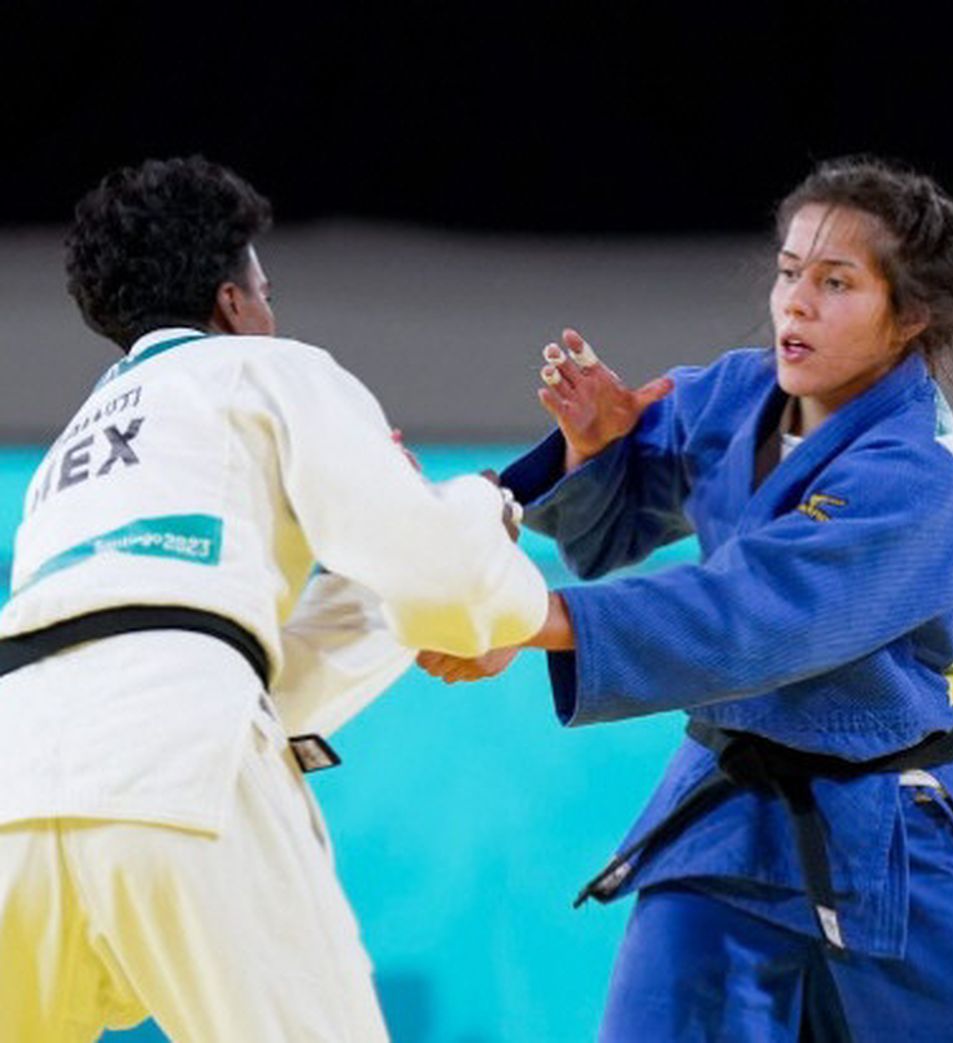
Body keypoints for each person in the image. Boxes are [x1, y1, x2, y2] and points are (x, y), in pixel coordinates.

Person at [419, 157, 953, 1040]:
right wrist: (588, 453)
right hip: (725, 824)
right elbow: (615, 517)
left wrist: (527, 618)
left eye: (835, 282)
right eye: (789, 271)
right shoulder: (739, 392)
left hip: (887, 841)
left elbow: (749, 615)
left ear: (910, 315)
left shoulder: (918, 477)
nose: (795, 303)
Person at [0, 156, 548, 1042]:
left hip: (14, 794)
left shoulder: (66, 462)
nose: (270, 310)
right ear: (231, 303)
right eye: (265, 290)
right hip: (180, 773)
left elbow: (224, 658)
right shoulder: (266, 370)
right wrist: (487, 530)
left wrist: (434, 595)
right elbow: (435, 566)